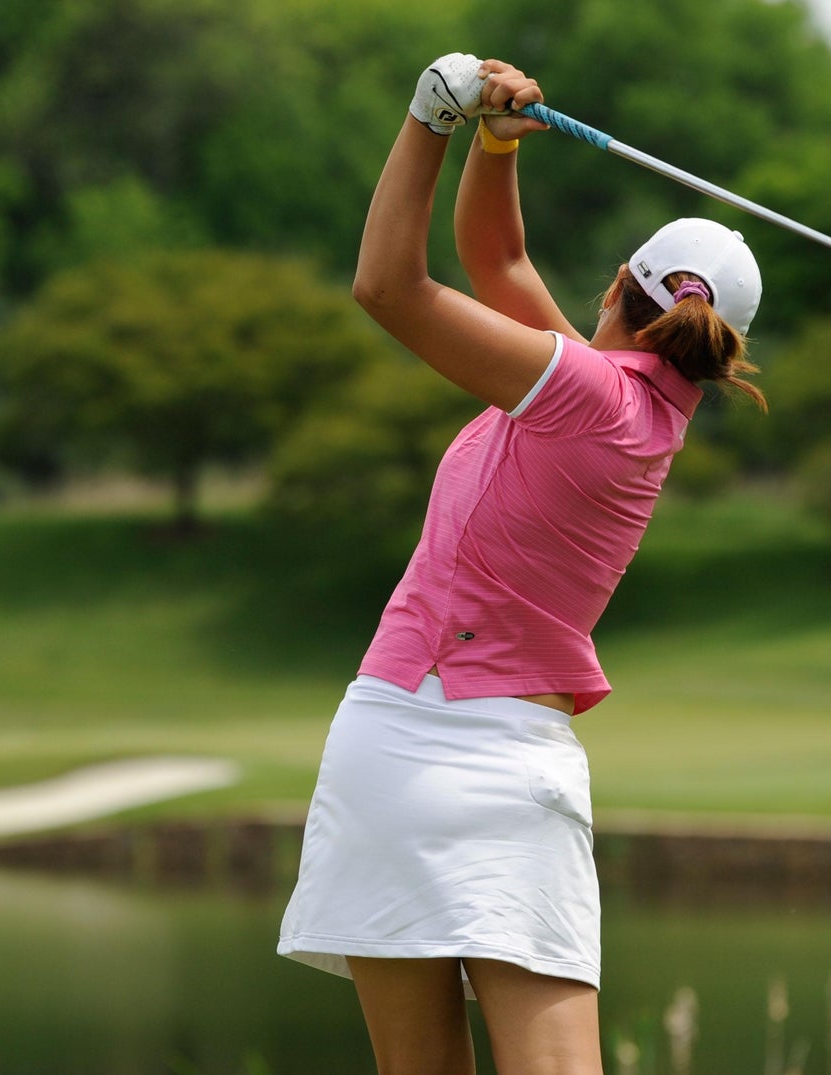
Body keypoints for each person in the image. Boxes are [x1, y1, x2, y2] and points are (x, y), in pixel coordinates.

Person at [277, 54, 767, 1075]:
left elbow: (386, 285)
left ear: (619, 288)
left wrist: (428, 118)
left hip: (386, 747)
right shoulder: (632, 406)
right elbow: (495, 262)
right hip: (502, 767)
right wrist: (495, 144)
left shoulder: (582, 391)